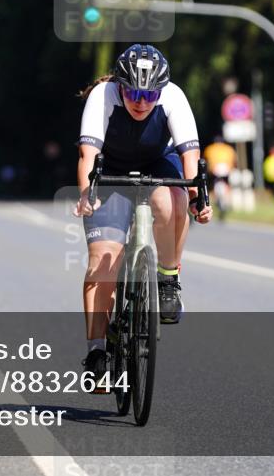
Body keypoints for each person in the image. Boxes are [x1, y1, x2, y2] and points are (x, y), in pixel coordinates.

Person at [74, 44, 212, 389]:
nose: (141, 101)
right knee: (102, 262)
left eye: (149, 95)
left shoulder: (174, 96)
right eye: (133, 92)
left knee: (173, 201)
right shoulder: (102, 96)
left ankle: (167, 279)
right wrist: (87, 194)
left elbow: (190, 154)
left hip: (156, 163)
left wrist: (197, 197)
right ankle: (97, 351)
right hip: (110, 172)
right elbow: (88, 155)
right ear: (121, 85)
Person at [202, 136, 236, 211]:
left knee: (211, 184)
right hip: (226, 170)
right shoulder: (229, 148)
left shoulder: (210, 148)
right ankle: (228, 200)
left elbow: (205, 159)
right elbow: (233, 160)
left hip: (214, 170)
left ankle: (213, 199)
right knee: (227, 184)